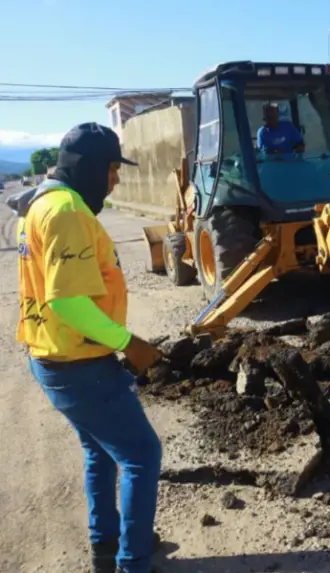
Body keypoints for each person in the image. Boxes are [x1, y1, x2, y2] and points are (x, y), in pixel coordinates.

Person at [16, 122, 164, 573]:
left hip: (53, 355)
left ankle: (107, 542)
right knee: (141, 455)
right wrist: (130, 344)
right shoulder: (67, 212)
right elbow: (68, 303)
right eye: (114, 170)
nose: (117, 180)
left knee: (99, 449)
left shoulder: (42, 204)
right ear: (95, 168)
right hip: (79, 362)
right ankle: (132, 562)